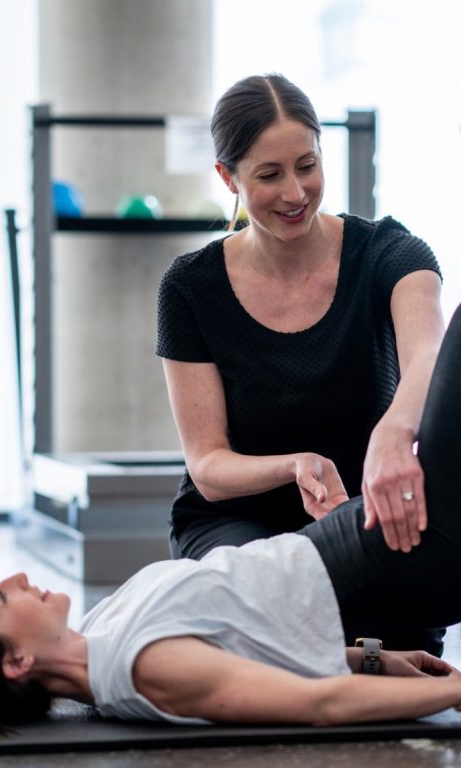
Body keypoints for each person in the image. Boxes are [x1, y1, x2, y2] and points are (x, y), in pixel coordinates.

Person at [0, 286, 461, 730]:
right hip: (415, 563)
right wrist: (457, 691)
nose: (13, 578)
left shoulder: (107, 631)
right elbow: (311, 703)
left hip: (370, 542)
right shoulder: (138, 666)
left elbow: (248, 644)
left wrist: (375, 657)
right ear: (15, 662)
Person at [155, 73, 445, 653]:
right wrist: (295, 466)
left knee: (402, 640)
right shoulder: (189, 286)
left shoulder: (389, 253)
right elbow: (208, 466)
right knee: (272, 608)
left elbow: (430, 358)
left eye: (307, 166)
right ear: (227, 177)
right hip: (238, 524)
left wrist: (394, 434)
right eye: (269, 175)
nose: (295, 193)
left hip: (360, 513)